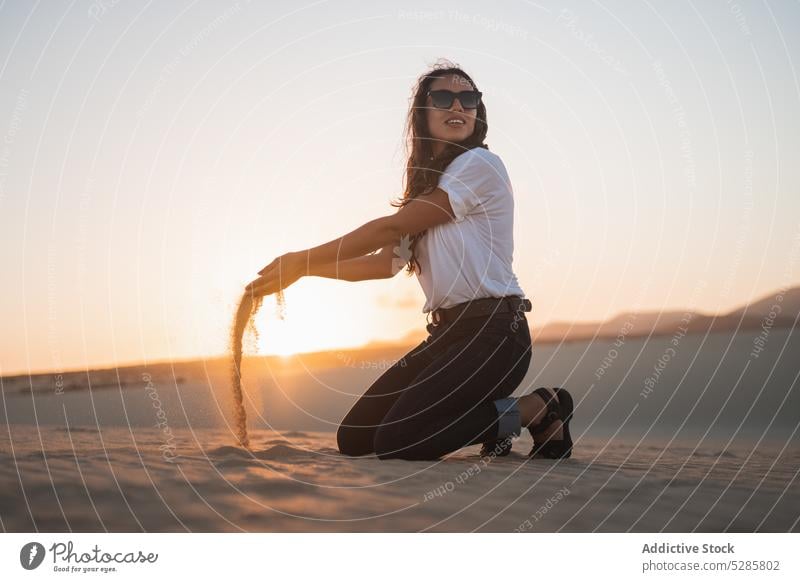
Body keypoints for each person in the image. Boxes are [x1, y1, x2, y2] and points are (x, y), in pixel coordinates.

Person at [246, 60, 573, 461]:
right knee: (356, 437)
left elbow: (388, 229)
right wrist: (304, 272)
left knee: (399, 441)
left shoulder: (480, 166)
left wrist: (299, 259)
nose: (457, 106)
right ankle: (492, 417)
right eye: (443, 97)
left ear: (477, 111)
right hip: (447, 337)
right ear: (422, 112)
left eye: (467, 98)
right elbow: (383, 264)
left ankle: (534, 408)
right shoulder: (433, 186)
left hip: (494, 334)